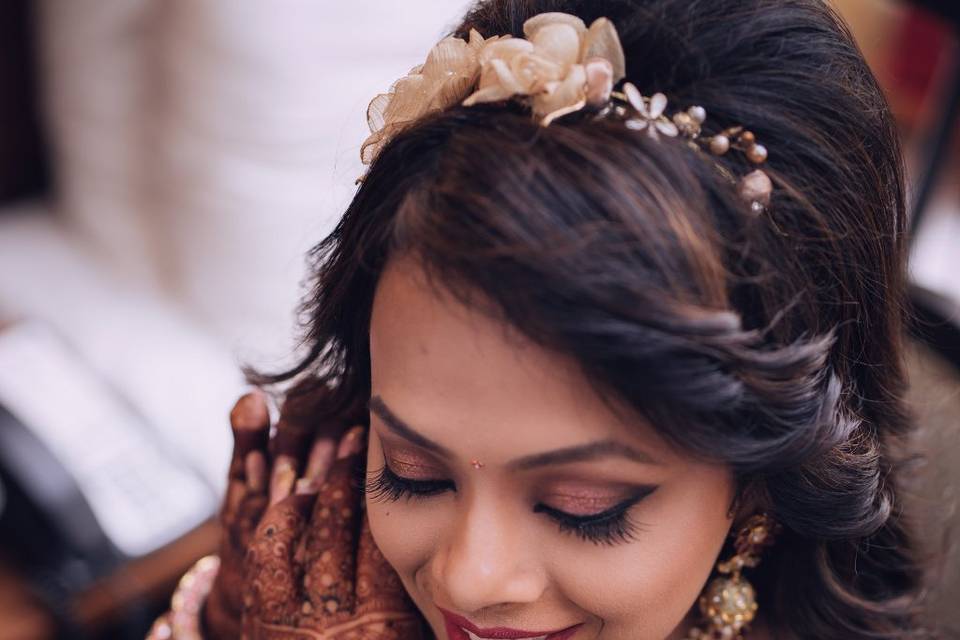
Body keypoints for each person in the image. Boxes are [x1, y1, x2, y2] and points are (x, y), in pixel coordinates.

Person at [149, 0, 939, 638]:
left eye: (580, 509)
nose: (468, 579)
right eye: (413, 473)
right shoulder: (335, 580)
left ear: (763, 489)